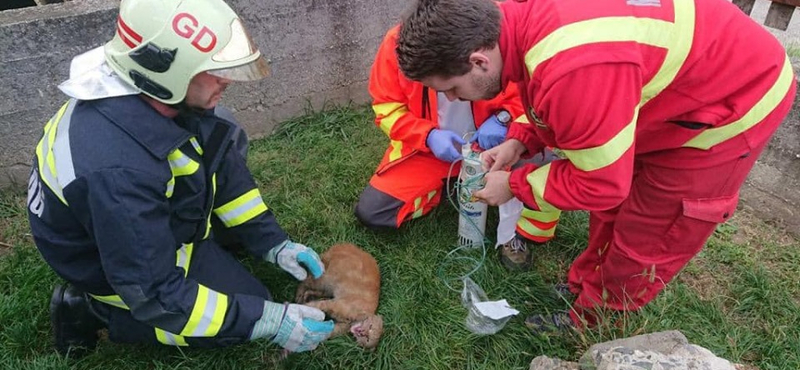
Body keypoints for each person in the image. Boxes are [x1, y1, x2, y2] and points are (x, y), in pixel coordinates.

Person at [394, 0, 796, 331]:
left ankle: (594, 319)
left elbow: (601, 183)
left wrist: (515, 186)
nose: (457, 100)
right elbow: (541, 88)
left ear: (479, 61)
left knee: (648, 228)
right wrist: (521, 138)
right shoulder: (513, 21)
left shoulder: (576, 66)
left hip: (732, 101)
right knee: (611, 211)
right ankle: (582, 286)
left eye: (451, 88)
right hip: (669, 79)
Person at [26, 0, 334, 357]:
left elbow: (223, 170)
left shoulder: (153, 90)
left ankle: (213, 251)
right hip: (106, 262)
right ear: (167, 69)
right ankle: (90, 310)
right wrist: (269, 320)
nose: (227, 80)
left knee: (225, 126)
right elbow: (156, 293)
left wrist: (272, 243)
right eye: (212, 70)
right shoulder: (120, 172)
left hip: (131, 222)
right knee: (246, 310)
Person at [354, 25, 561, 270]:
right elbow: (386, 108)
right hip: (428, 150)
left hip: (502, 144)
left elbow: (530, 95)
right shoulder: (399, 44)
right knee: (374, 212)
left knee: (543, 171)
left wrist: (505, 118)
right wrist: (428, 136)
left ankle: (519, 234)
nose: (451, 96)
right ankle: (450, 186)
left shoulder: (498, 32)